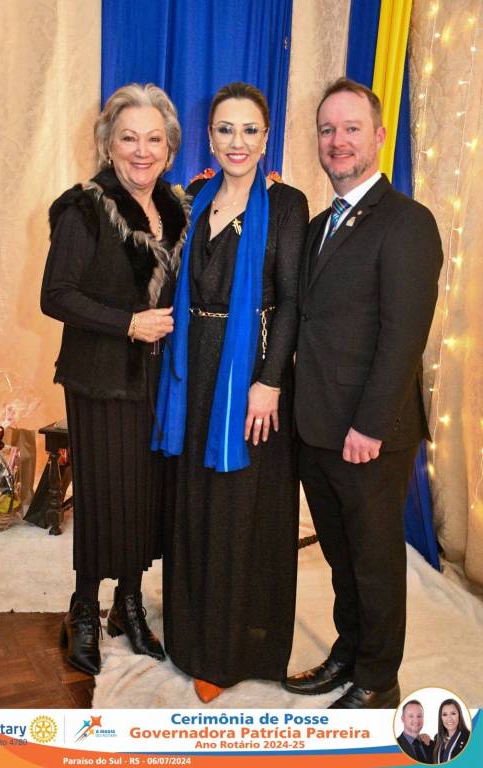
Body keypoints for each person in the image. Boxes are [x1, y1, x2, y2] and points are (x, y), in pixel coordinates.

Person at [285, 78, 443, 708]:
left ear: (378, 136)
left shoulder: (407, 222)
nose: (338, 140)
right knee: (341, 556)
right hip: (317, 424)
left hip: (369, 432)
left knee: (374, 562)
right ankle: (347, 653)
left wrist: (370, 425)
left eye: (351, 128)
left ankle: (378, 680)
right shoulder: (317, 225)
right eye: (327, 129)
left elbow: (404, 335)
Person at [152, 82, 309, 702]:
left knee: (242, 509)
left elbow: (291, 300)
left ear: (266, 138)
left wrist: (269, 382)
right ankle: (189, 637)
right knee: (194, 501)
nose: (236, 142)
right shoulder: (192, 198)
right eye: (225, 129)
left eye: (249, 130)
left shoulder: (287, 204)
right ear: (209, 137)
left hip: (250, 376)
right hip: (192, 371)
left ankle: (234, 650)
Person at [41, 83, 189, 675]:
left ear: (169, 148)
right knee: (103, 494)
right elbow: (56, 295)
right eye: (129, 138)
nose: (141, 151)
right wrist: (128, 323)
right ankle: (84, 607)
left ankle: (129, 602)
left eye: (154, 139)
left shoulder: (177, 208)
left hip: (159, 381)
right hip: (99, 377)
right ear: (109, 144)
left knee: (145, 494)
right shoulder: (84, 207)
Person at [433, 699, 471, 763]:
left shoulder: (469, 738)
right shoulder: (437, 738)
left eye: (453, 713)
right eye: (445, 714)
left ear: (459, 715)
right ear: (441, 718)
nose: (449, 718)